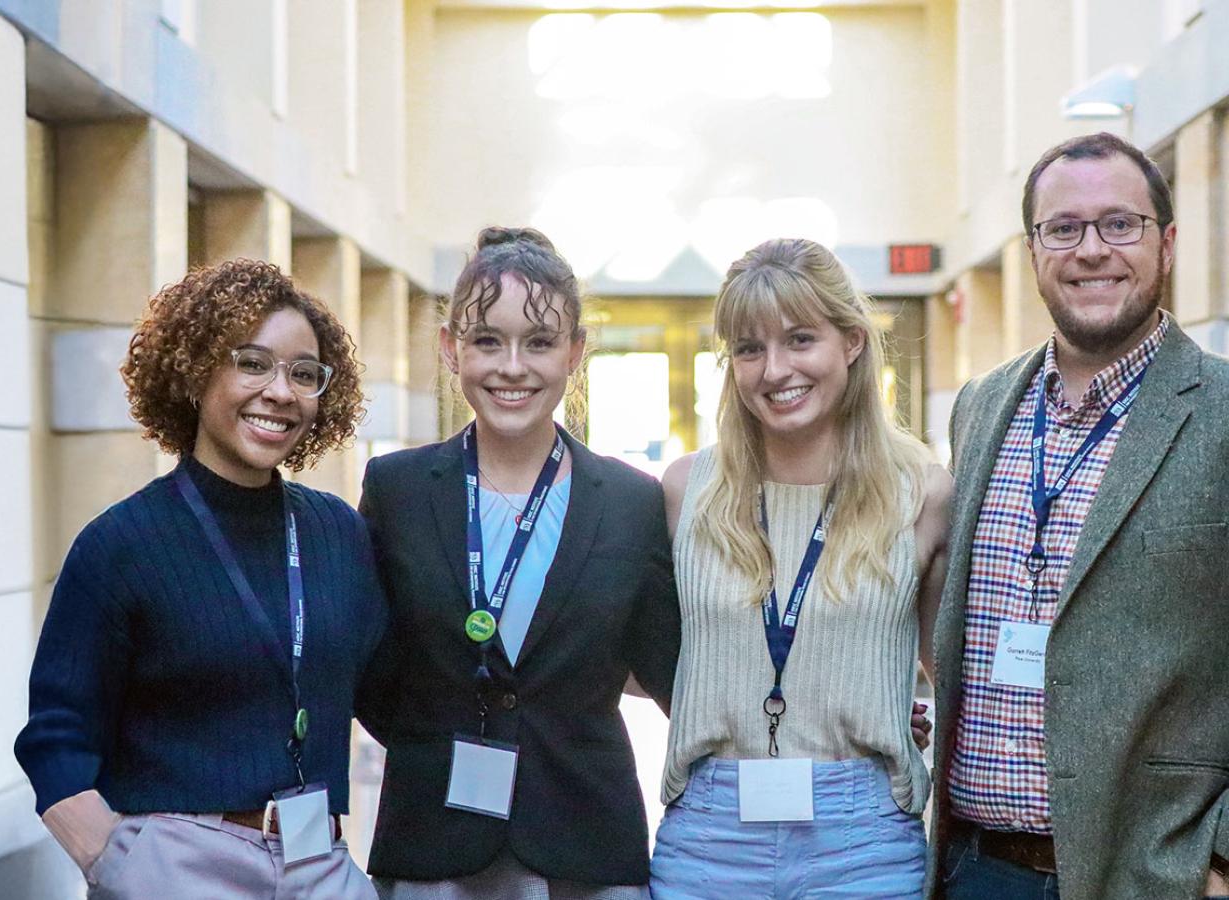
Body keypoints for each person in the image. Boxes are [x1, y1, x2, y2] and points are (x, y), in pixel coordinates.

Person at [14, 258, 385, 899]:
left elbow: (396, 686)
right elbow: (57, 733)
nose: (280, 390)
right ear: (196, 370)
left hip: (318, 861)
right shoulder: (122, 544)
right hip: (179, 867)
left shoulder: (337, 534)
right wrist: (118, 864)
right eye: (252, 363)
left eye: (304, 373)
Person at [928, 132, 1229, 900]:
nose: (1091, 249)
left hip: (1152, 876)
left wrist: (1219, 858)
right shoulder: (983, 405)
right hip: (974, 869)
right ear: (1033, 251)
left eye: (1119, 225)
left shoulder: (1222, 415)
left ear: (1165, 244)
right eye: (1064, 228)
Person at [355, 226, 683, 898]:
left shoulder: (631, 502)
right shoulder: (398, 490)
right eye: (486, 341)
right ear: (451, 350)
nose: (512, 366)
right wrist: (439, 735)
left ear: (575, 354)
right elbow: (370, 669)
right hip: (432, 842)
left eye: (539, 342)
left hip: (585, 844)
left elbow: (674, 669)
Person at [652, 237, 952, 899]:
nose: (774, 369)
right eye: (749, 348)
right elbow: (644, 661)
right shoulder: (684, 492)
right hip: (710, 837)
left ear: (850, 342)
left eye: (800, 339)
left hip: (862, 840)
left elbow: (952, 677)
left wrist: (874, 702)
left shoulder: (921, 496)